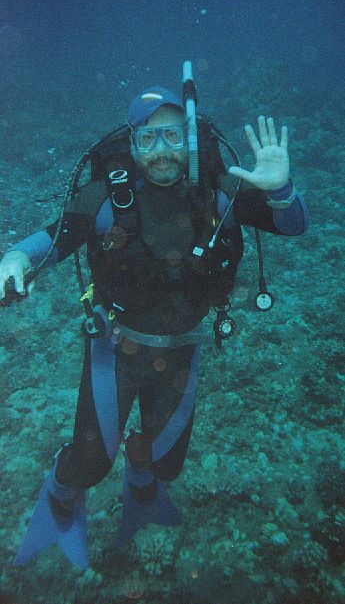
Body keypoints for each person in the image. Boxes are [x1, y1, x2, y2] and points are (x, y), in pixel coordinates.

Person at [0, 85, 308, 570]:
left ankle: (140, 493)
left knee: (166, 464)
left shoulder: (221, 191)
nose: (162, 150)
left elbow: (292, 226)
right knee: (89, 463)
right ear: (132, 143)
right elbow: (53, 239)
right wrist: (15, 258)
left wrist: (280, 189)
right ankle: (59, 501)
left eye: (172, 136)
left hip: (184, 348)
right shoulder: (109, 198)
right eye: (148, 139)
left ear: (188, 138)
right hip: (116, 349)